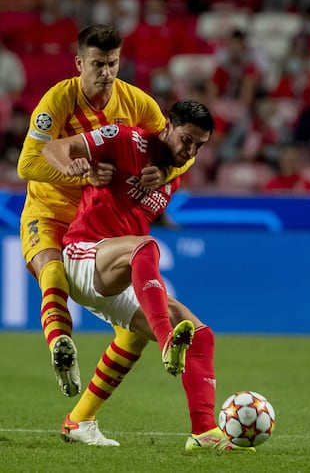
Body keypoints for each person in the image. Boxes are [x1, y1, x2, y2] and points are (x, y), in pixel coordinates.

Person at [42, 98, 256, 453]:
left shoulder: (175, 170)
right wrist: (76, 168)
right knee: (146, 247)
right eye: (186, 140)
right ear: (167, 126)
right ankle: (167, 339)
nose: (190, 151)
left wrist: (167, 171)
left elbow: (165, 171)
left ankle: (202, 433)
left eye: (199, 146)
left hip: (118, 276)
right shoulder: (125, 139)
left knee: (202, 336)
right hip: (84, 255)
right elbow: (54, 147)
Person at [17, 24, 193, 399]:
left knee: (133, 329)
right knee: (52, 272)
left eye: (112, 63)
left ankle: (81, 419)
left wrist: (165, 171)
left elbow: (180, 148)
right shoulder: (57, 101)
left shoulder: (137, 103)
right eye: (97, 64)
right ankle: (61, 344)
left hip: (97, 224)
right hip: (48, 210)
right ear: (80, 63)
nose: (106, 73)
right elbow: (27, 164)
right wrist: (75, 173)